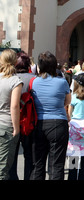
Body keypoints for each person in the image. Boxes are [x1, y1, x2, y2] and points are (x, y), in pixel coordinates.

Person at [30, 51, 71, 180]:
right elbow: (67, 101)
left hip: (39, 123)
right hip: (58, 122)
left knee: (38, 164)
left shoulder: (34, 82)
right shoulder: (62, 82)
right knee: (57, 165)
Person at [9, 52, 34, 180]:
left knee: (12, 155)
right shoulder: (34, 79)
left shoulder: (9, 78)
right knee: (29, 155)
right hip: (29, 121)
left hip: (12, 120)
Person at [0, 49, 23, 180]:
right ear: (15, 61)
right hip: (6, 125)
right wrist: (16, 128)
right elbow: (14, 105)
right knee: (3, 167)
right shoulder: (15, 80)